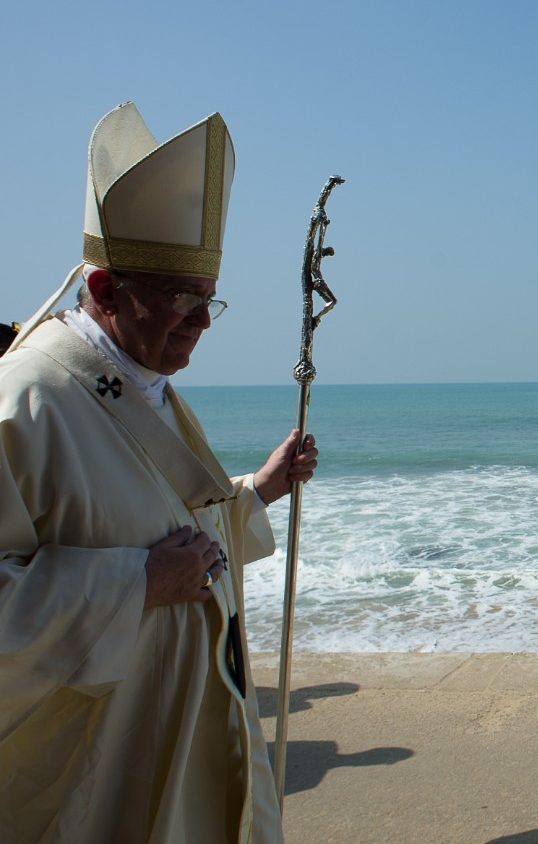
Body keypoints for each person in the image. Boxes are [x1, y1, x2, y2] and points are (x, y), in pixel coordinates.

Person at [0, 102, 318, 843]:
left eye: (210, 301)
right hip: (97, 774)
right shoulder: (25, 403)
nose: (202, 323)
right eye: (181, 298)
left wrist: (258, 492)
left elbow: (179, 534)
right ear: (107, 291)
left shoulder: (145, 385)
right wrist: (134, 585)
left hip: (186, 748)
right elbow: (153, 563)